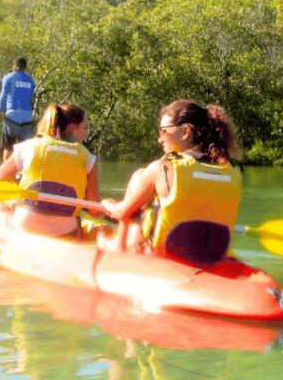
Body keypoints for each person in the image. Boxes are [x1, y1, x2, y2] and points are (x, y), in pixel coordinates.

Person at [101, 100, 241, 265]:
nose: (160, 139)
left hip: (165, 259)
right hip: (212, 259)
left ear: (185, 132)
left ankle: (120, 247)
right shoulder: (232, 171)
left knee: (138, 176)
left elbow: (122, 213)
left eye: (163, 131)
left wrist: (108, 205)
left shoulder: (162, 168)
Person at [0, 103, 99, 237]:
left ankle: (6, 226)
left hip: (25, 227)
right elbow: (94, 210)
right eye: (85, 128)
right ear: (72, 128)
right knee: (77, 220)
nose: (87, 135)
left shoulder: (28, 147)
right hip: (66, 233)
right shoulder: (88, 158)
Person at [0, 56, 36, 161]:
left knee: (8, 148)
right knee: (25, 150)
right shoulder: (31, 81)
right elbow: (30, 98)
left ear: (15, 66)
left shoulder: (8, 78)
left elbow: (3, 95)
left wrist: (0, 110)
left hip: (12, 117)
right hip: (27, 118)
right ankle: (22, 174)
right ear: (25, 67)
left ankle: (5, 174)